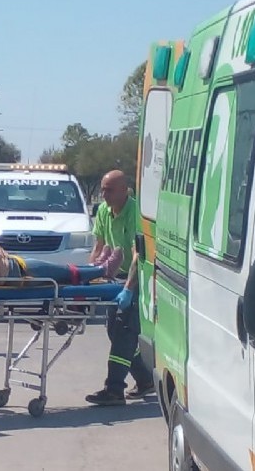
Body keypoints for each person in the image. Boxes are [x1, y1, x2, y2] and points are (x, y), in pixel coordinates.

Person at [85, 170, 154, 406]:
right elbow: (99, 245)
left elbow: (138, 256)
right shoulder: (104, 211)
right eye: (102, 189)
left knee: (124, 331)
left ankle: (114, 389)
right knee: (115, 332)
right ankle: (146, 379)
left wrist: (128, 288)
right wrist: (88, 277)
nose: (104, 194)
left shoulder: (136, 213)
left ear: (125, 190)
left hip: (136, 277)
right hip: (113, 280)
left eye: (109, 190)